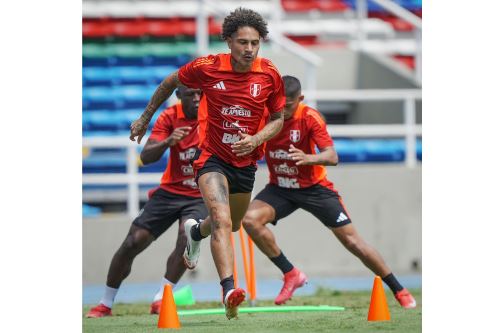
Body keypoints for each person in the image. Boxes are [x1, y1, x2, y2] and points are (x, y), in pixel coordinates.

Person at [129, 8, 285, 319]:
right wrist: (145, 118)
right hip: (212, 158)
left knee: (232, 224)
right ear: (228, 41)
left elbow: (279, 119)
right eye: (242, 42)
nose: (249, 49)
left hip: (246, 162)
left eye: (255, 43)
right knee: (223, 220)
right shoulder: (208, 67)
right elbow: (170, 81)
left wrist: (256, 140)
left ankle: (195, 233)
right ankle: (229, 289)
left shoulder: (269, 75)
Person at [240, 75, 417, 308]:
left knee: (353, 242)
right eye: (278, 104)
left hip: (314, 189)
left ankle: (399, 289)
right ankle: (291, 274)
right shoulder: (265, 115)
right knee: (250, 220)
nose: (282, 110)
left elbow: (332, 156)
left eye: (288, 105)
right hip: (280, 188)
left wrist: (309, 158)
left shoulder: (310, 118)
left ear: (300, 99)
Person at [86, 86, 208, 318]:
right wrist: (169, 141)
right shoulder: (169, 117)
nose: (196, 98)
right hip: (170, 192)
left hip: (199, 195)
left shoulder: (212, 117)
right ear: (179, 96)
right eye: (190, 94)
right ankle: (105, 303)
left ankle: (162, 299)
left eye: (200, 94)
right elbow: (146, 156)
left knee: (187, 236)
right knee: (134, 241)